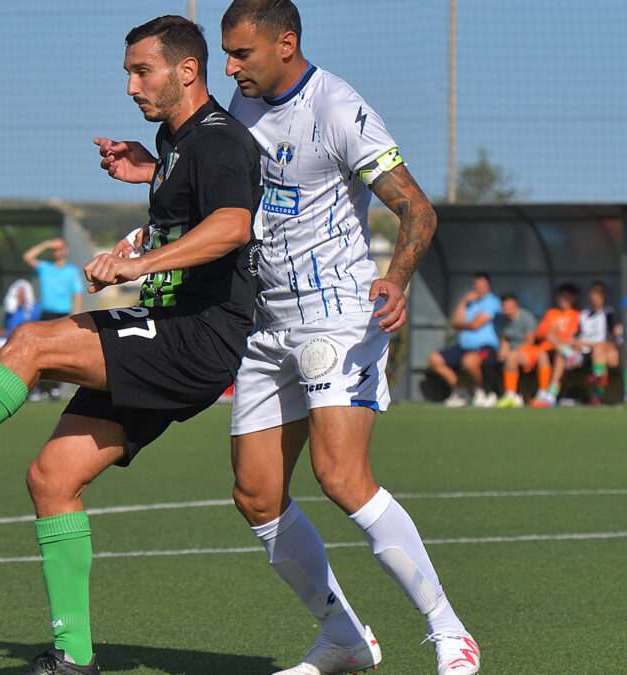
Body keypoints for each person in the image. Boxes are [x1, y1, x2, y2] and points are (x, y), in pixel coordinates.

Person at [0, 16, 261, 673]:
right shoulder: (174, 140)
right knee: (51, 478)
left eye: (141, 72)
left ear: (187, 70)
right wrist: (148, 180)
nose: (131, 86)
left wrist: (138, 265)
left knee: (29, 342)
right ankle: (74, 657)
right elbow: (191, 207)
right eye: (128, 73)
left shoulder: (220, 138)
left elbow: (232, 224)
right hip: (171, 330)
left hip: (194, 335)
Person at [97, 2, 479, 672]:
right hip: (264, 320)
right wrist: (151, 169)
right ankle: (345, 640)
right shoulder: (240, 107)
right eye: (226, 53)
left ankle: (450, 631)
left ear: (286, 44)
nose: (229, 67)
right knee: (256, 494)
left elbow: (417, 208)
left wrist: (395, 276)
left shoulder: (337, 108)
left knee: (341, 476)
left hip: (336, 315)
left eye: (241, 53)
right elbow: (224, 198)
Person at [536, 280, 621, 407]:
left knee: (599, 348)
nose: (595, 297)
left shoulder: (608, 313)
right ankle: (550, 396)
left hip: (600, 351)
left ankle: (596, 390)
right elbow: (576, 335)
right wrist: (575, 343)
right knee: (560, 355)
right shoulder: (584, 314)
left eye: (598, 294)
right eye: (593, 293)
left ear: (604, 296)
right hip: (582, 351)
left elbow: (613, 337)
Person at [23, 238, 85, 401]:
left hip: (63, 315)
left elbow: (77, 294)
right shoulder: (45, 268)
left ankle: (55, 387)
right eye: (54, 249)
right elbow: (28, 257)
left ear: (66, 250)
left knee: (61, 352)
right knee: (41, 351)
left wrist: (75, 316)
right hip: (46, 315)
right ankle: (40, 387)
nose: (56, 252)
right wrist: (46, 244)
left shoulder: (72, 271)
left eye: (59, 249)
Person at [428, 273, 502, 407]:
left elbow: (475, 325)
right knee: (435, 358)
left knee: (469, 361)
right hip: (463, 347)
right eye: (477, 286)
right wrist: (463, 301)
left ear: (488, 286)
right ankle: (460, 391)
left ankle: (482, 391)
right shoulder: (468, 303)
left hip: (485, 347)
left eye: (482, 285)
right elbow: (455, 321)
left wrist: (461, 325)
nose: (479, 288)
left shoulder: (492, 302)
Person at [528, 283, 581, 408]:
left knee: (560, 356)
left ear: (574, 298)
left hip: (565, 348)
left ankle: (551, 396)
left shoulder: (576, 315)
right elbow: (541, 331)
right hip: (550, 348)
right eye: (563, 297)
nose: (565, 300)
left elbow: (572, 335)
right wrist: (554, 331)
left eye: (568, 297)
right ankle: (542, 392)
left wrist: (556, 332)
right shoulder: (552, 313)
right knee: (543, 351)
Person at [493, 293, 542, 408]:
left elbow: (530, 341)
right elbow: (503, 339)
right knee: (492, 359)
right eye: (504, 306)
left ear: (516, 305)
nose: (507, 309)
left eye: (509, 306)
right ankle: (496, 394)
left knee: (512, 356)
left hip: (527, 351)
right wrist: (503, 350)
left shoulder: (526, 317)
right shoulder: (501, 319)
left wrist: (512, 352)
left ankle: (511, 395)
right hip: (511, 352)